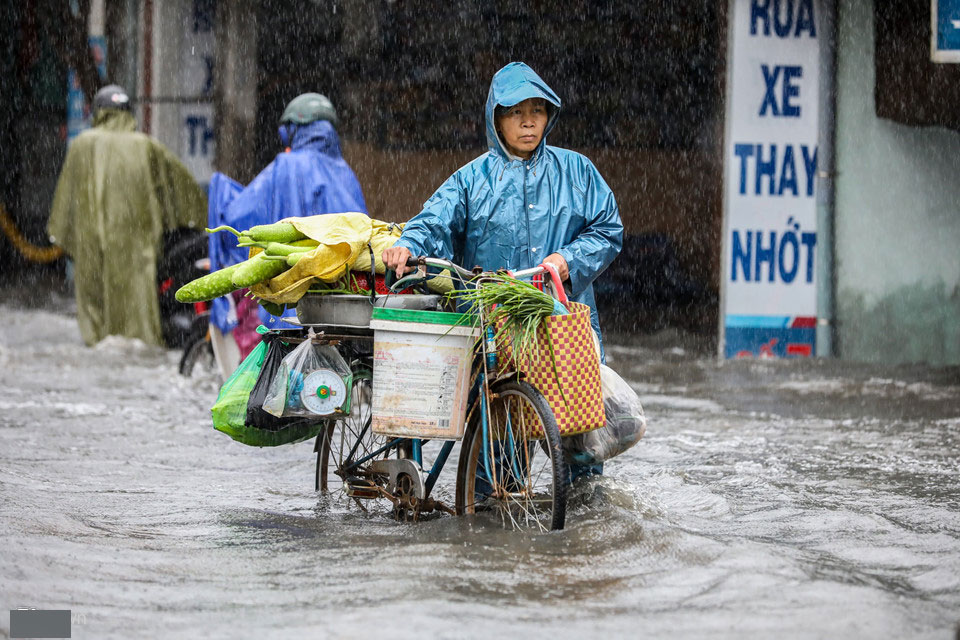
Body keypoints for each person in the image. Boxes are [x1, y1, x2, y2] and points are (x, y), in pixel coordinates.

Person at [383, 61, 623, 481]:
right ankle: (490, 529)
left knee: (580, 449)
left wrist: (568, 259)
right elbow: (433, 220)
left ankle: (581, 534)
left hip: (562, 325)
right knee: (498, 446)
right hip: (496, 324)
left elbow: (608, 229)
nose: (529, 122)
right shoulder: (470, 180)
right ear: (496, 118)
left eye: (538, 110)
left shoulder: (578, 171)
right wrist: (407, 245)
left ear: (550, 115)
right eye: (515, 112)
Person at [208, 92, 368, 357]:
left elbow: (242, 216)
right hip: (342, 307)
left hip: (294, 302)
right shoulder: (345, 173)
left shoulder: (287, 165)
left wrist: (220, 193)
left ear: (292, 130)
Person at [47, 84, 207, 347]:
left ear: (99, 112)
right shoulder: (147, 146)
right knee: (138, 320)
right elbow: (185, 194)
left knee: (96, 324)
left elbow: (64, 211)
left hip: (92, 252)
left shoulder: (81, 145)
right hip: (138, 252)